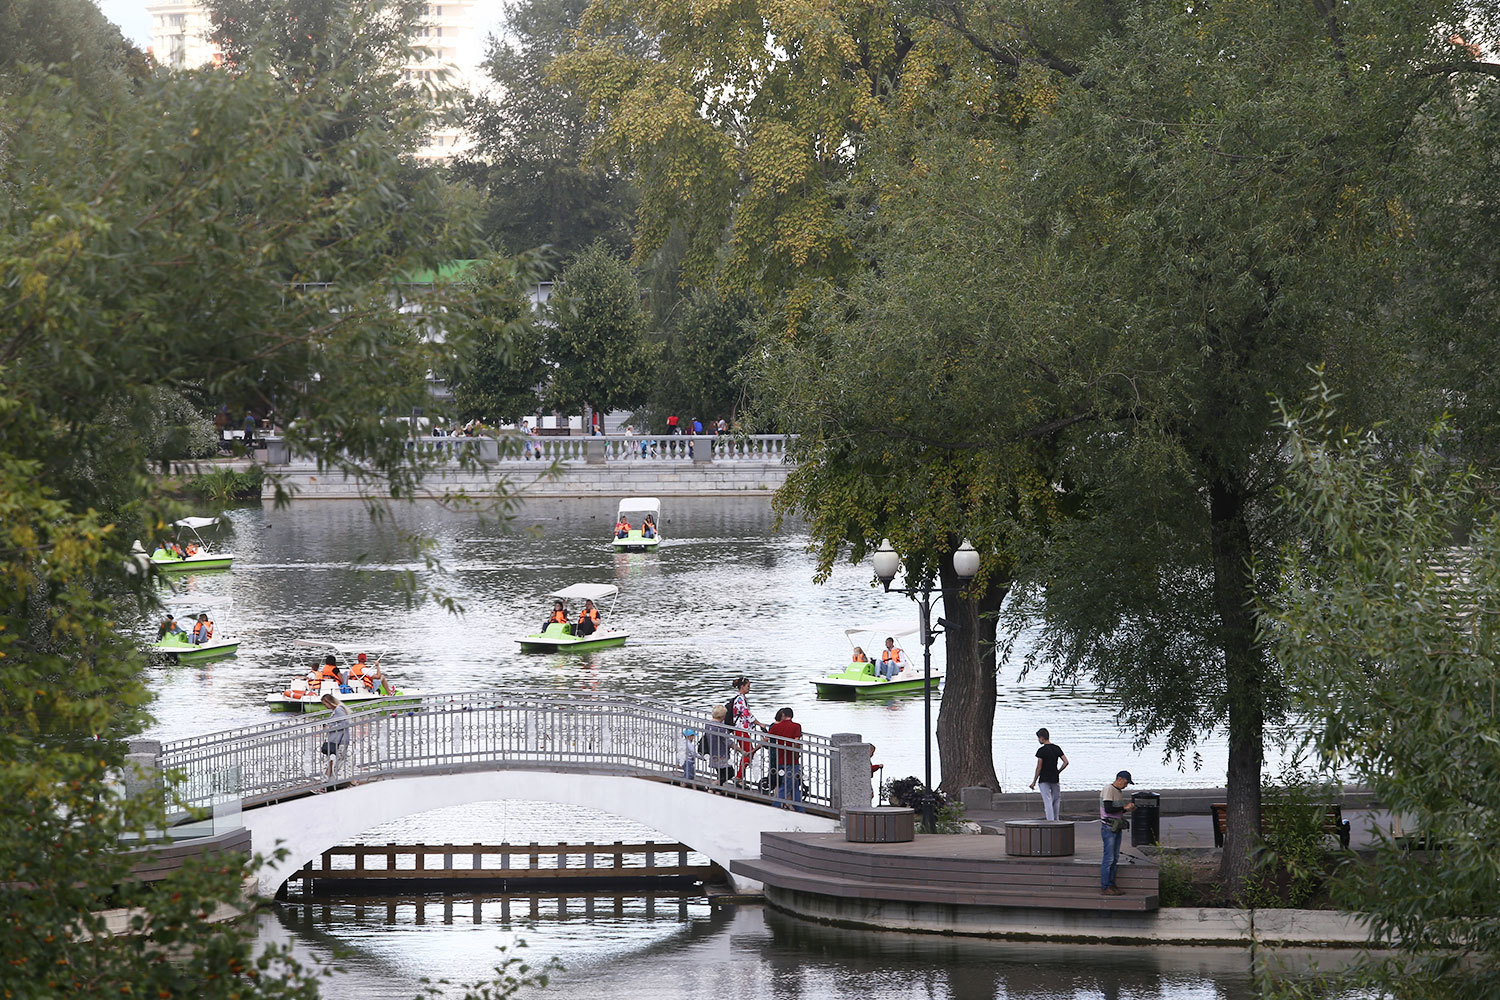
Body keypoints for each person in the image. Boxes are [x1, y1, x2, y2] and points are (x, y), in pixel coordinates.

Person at [1100, 770, 1136, 896]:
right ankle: (1105, 886)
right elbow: (1109, 809)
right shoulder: (1109, 789)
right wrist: (1124, 807)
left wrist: (1126, 809)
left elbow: (1117, 811)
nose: (1126, 786)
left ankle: (1111, 884)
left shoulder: (1118, 791)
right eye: (1126, 783)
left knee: (1114, 858)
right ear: (1119, 779)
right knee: (1109, 858)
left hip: (1116, 826)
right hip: (1109, 827)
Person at [728, 676, 767, 784]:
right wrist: (759, 723)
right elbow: (746, 714)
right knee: (749, 752)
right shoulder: (740, 699)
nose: (749, 688)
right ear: (742, 686)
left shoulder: (741, 698)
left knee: (749, 751)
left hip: (741, 729)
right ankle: (739, 777)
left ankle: (739, 776)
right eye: (748, 686)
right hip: (740, 729)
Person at [767, 707, 805, 812]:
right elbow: (796, 742)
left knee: (794, 785)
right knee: (787, 785)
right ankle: (775, 806)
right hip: (792, 760)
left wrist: (753, 751)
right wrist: (797, 755)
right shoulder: (796, 726)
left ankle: (800, 809)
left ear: (783, 715)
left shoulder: (776, 727)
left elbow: (765, 739)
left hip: (781, 759)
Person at [1030, 728, 1069, 821]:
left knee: (1047, 800)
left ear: (1042, 738)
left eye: (1038, 738)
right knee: (1056, 800)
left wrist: (1034, 781)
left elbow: (1039, 767)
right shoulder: (1056, 748)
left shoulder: (1041, 751)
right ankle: (1056, 819)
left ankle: (1050, 820)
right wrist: (1058, 771)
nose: (1038, 740)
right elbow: (1066, 762)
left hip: (1044, 779)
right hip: (1054, 778)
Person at [319, 694, 352, 782]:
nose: (325, 706)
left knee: (335, 761)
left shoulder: (338, 710)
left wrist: (330, 727)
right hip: (337, 740)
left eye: (325, 704)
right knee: (334, 761)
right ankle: (328, 780)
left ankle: (327, 780)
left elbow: (345, 723)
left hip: (340, 740)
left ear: (329, 702)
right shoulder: (336, 710)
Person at [705, 704, 734, 786]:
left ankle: (717, 790)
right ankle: (713, 785)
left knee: (720, 775)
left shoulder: (708, 724)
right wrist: (740, 750)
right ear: (722, 716)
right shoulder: (721, 727)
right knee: (730, 773)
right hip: (722, 755)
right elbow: (728, 741)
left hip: (713, 753)